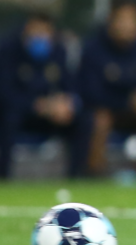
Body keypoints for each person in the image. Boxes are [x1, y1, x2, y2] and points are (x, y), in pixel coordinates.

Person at [79, 0, 136, 178]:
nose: (127, 25)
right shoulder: (93, 48)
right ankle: (94, 175)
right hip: (103, 111)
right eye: (122, 19)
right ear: (111, 21)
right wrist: (127, 100)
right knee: (100, 120)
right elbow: (90, 94)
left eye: (132, 20)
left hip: (133, 113)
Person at [0, 13, 87, 179]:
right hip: (21, 113)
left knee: (83, 120)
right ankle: (4, 177)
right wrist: (36, 105)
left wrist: (67, 103)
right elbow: (6, 93)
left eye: (44, 32)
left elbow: (71, 86)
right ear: (26, 30)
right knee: (9, 119)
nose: (39, 37)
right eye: (35, 31)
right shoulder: (8, 51)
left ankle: (77, 177)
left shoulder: (58, 51)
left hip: (51, 115)